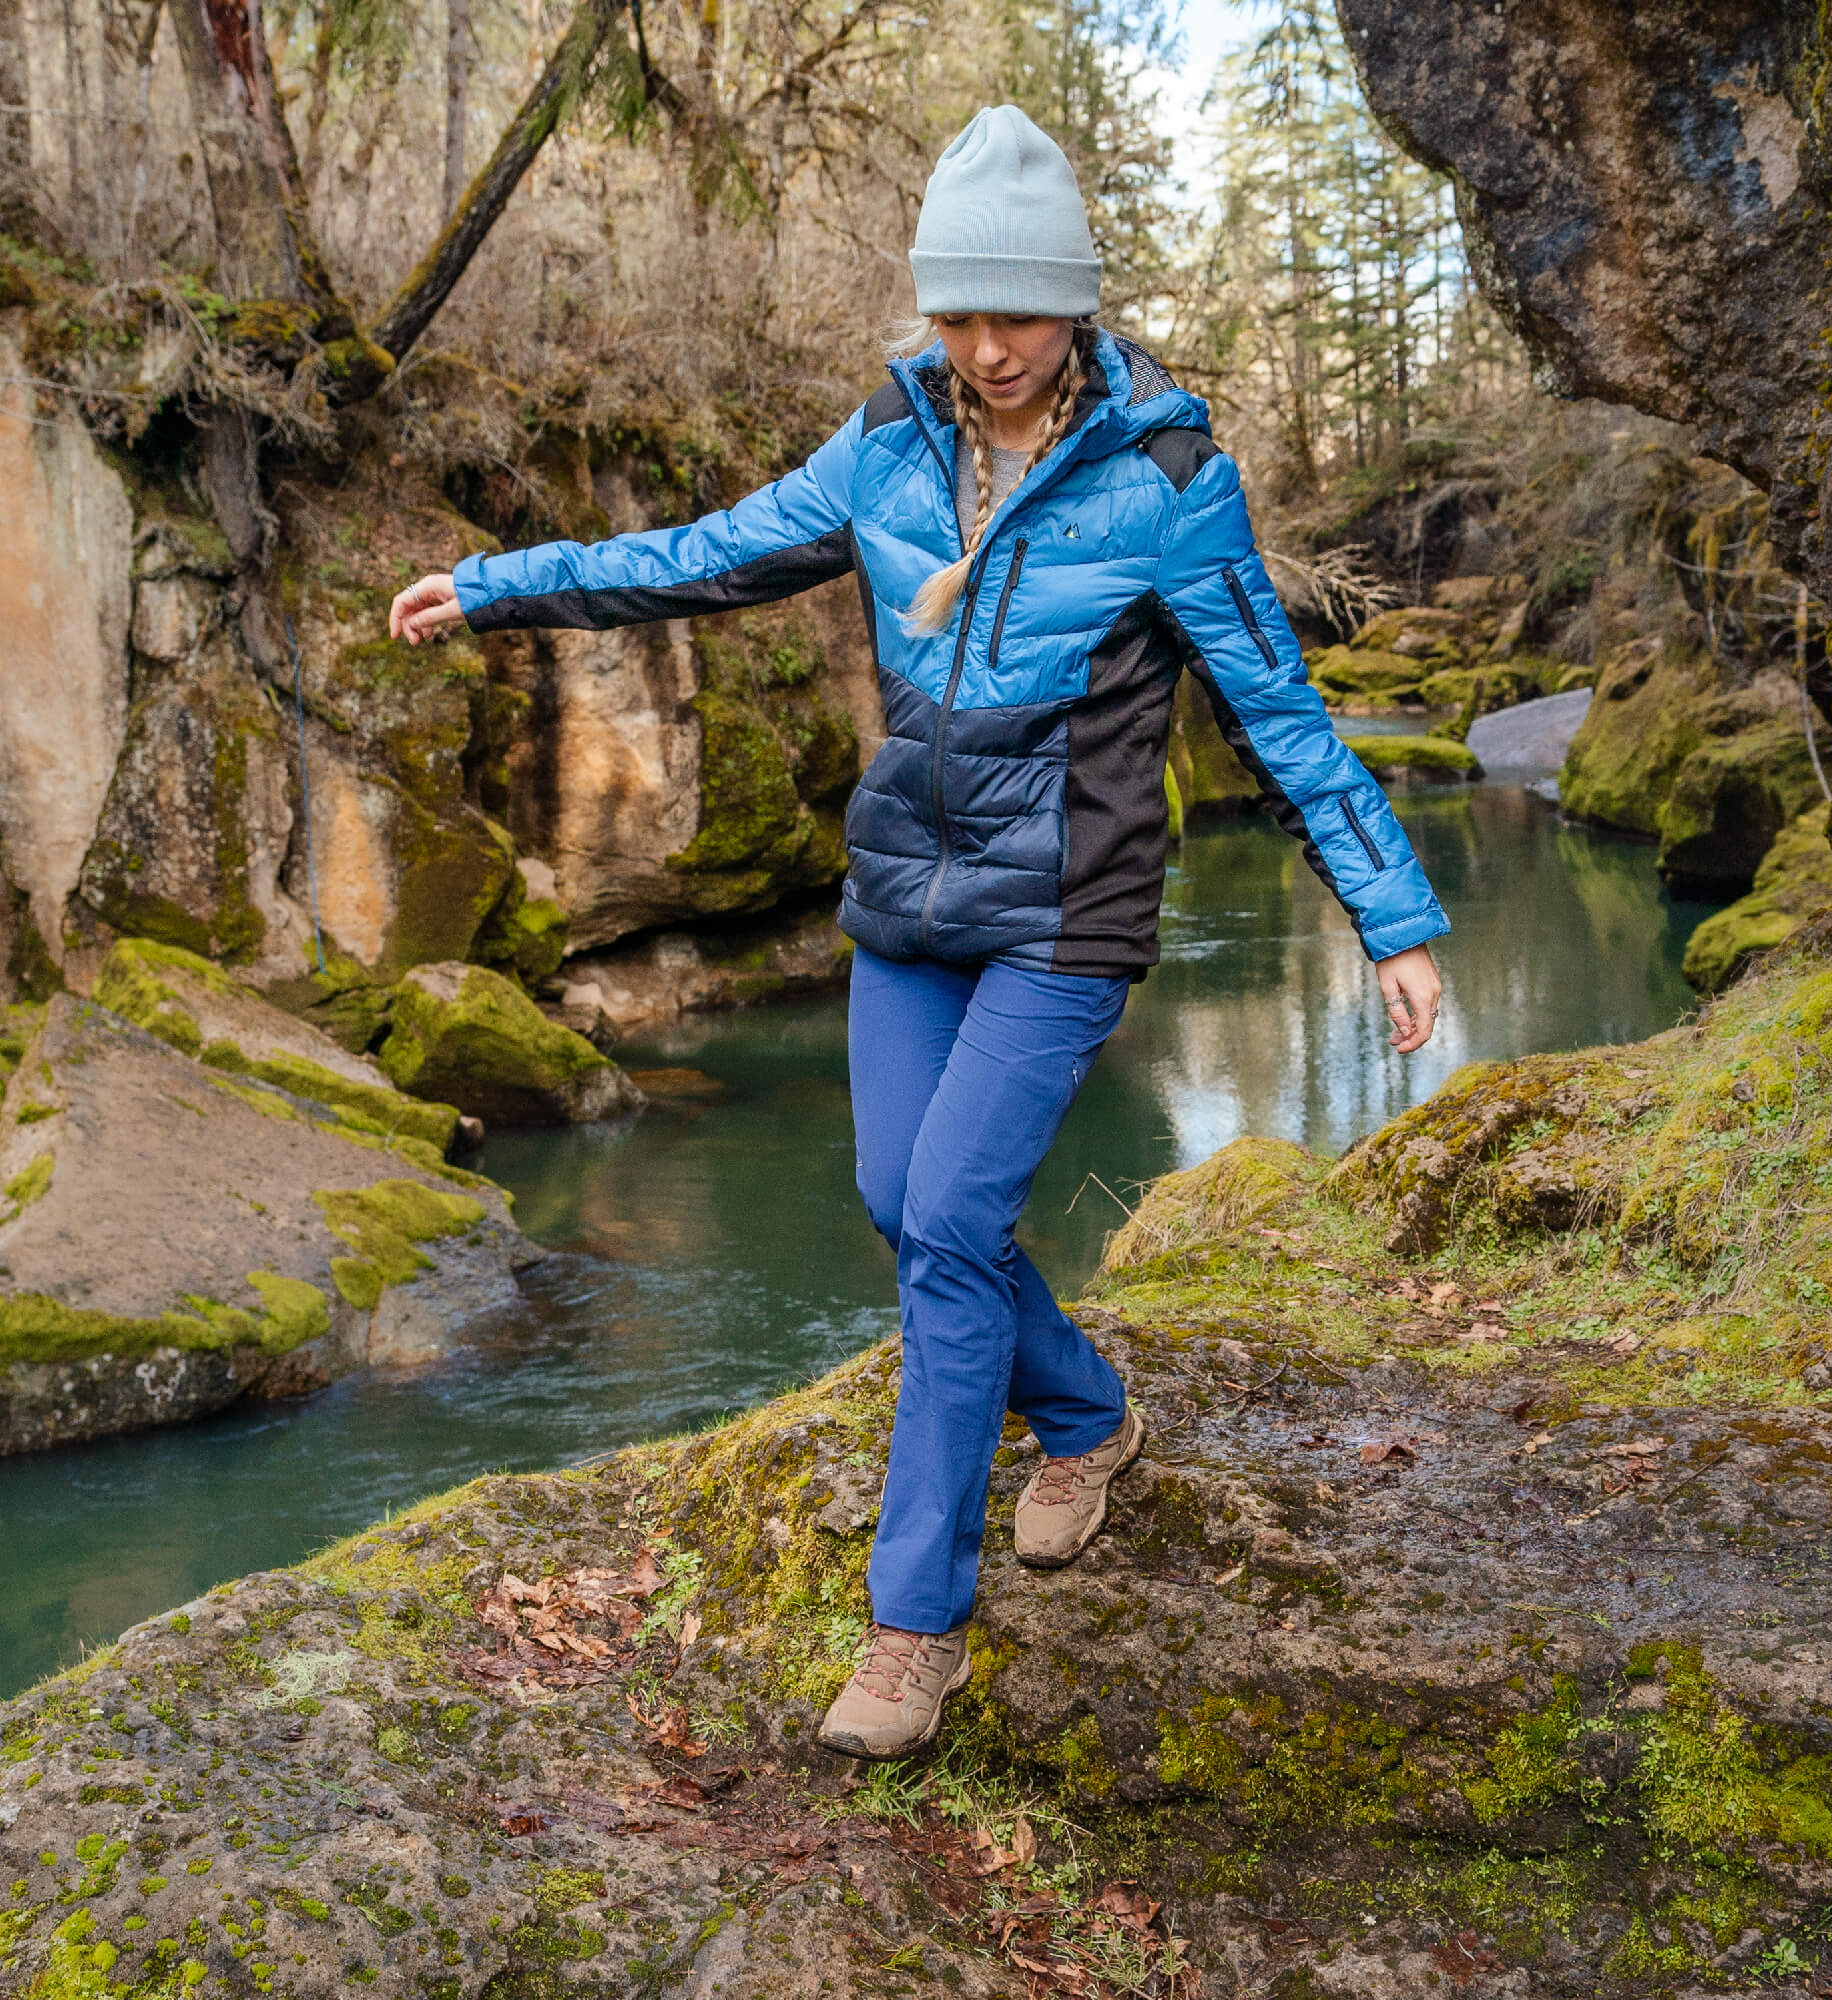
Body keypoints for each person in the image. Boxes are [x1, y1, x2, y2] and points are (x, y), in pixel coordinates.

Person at [389, 104, 1449, 1759]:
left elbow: (1284, 716)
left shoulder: (1169, 481)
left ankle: (913, 1629)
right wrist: (509, 581)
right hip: (907, 902)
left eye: (1016, 315)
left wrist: (1392, 918)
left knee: (951, 1225)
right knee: (899, 1203)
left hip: (1065, 917)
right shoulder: (884, 443)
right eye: (957, 314)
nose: (984, 348)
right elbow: (704, 558)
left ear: (1077, 306)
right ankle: (1089, 1416)